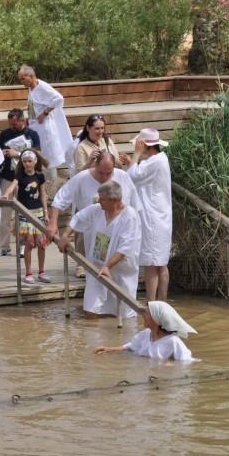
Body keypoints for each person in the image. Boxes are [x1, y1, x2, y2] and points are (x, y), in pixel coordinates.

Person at [47, 151, 141, 278]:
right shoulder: (82, 178)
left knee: (121, 285)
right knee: (96, 281)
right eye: (101, 173)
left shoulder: (123, 177)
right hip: (95, 241)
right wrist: (53, 223)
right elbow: (61, 198)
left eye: (108, 173)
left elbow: (135, 208)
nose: (104, 177)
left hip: (119, 240)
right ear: (95, 166)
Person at [57, 181, 141, 319]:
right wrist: (65, 235)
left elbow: (126, 246)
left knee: (121, 315)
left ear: (115, 200)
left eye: (102, 199)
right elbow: (78, 217)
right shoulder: (97, 210)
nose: (99, 202)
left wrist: (108, 266)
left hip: (121, 272)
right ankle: (93, 339)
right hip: (96, 267)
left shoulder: (130, 215)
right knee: (91, 310)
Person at [121, 128, 172, 303]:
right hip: (161, 216)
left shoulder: (153, 162)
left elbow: (132, 177)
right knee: (161, 262)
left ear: (145, 146)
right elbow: (141, 173)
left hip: (152, 218)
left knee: (151, 263)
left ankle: (151, 304)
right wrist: (133, 161)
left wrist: (135, 154)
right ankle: (162, 302)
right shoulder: (160, 158)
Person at [0, 108, 41, 256]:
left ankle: (22, 244)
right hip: (8, 177)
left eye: (14, 123)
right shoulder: (4, 134)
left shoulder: (32, 134)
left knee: (23, 213)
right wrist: (2, 153)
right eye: (10, 123)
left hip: (25, 179)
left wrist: (18, 153)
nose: (12, 126)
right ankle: (3, 246)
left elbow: (38, 155)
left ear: (22, 120)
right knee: (5, 213)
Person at [0, 149, 51, 284]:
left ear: (34, 161)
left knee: (41, 243)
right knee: (29, 243)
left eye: (29, 161)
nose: (27, 164)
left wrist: (46, 212)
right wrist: (6, 194)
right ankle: (28, 272)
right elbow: (12, 187)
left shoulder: (40, 176)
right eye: (24, 161)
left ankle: (41, 271)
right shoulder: (19, 175)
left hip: (38, 211)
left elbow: (43, 194)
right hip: (25, 212)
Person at [18, 64, 71, 186]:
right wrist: (29, 118)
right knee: (39, 156)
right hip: (35, 126)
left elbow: (58, 98)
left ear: (31, 76)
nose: (21, 82)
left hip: (44, 128)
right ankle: (42, 184)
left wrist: (45, 113)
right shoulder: (32, 88)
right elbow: (35, 104)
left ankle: (50, 185)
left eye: (23, 79)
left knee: (47, 157)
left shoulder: (43, 87)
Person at [93, 301, 198, 362]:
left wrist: (172, 364)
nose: (143, 316)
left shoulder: (173, 341)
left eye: (147, 313)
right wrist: (108, 349)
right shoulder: (147, 333)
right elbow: (130, 347)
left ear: (157, 319)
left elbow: (187, 361)